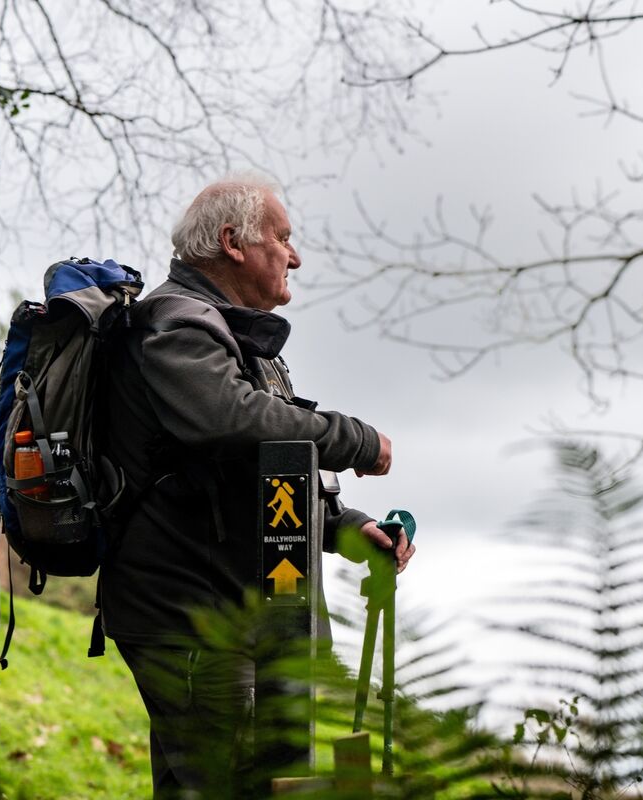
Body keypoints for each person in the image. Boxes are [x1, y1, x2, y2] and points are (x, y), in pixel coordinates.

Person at [99, 175, 415, 798]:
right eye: (283, 238)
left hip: (246, 614)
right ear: (232, 242)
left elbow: (262, 480)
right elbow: (233, 419)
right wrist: (350, 438)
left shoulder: (239, 337)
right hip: (193, 617)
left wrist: (350, 527)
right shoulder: (175, 326)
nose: (294, 256)